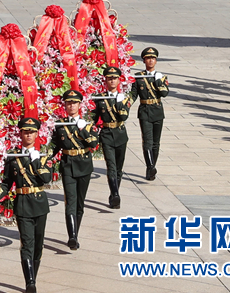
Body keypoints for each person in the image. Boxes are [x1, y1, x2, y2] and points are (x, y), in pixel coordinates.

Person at [0, 117, 52, 293]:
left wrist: (35, 161)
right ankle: (30, 282)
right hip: (23, 204)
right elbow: (6, 184)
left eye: (32, 132)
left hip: (39, 204)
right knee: (27, 244)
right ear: (21, 134)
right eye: (25, 132)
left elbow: (46, 179)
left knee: (38, 245)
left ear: (37, 134)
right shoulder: (14, 157)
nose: (28, 135)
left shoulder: (42, 156)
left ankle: (33, 277)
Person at [50, 90, 98, 251]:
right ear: (65, 105)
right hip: (68, 165)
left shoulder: (87, 124)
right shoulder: (60, 125)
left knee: (79, 203)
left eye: (74, 103)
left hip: (84, 164)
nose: (71, 106)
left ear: (79, 105)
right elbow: (55, 146)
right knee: (70, 201)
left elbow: (93, 144)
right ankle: (72, 237)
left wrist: (82, 130)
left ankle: (75, 232)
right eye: (69, 103)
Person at [87, 66, 133, 208]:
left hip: (120, 134)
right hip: (106, 134)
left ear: (119, 80)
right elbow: (94, 118)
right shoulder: (100, 98)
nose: (112, 81)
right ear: (105, 80)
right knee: (111, 166)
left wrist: (119, 102)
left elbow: (123, 116)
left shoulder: (124, 98)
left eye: (115, 78)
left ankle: (114, 195)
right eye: (109, 78)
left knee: (119, 168)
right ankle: (115, 194)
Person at [129, 47, 170, 180]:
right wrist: (125, 105)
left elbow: (164, 93)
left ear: (156, 61)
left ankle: (151, 168)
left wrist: (158, 81)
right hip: (145, 111)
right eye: (148, 58)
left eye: (153, 58)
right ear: (144, 60)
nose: (151, 61)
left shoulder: (161, 77)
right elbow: (133, 95)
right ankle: (151, 166)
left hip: (157, 110)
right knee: (147, 141)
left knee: (156, 143)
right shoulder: (139, 77)